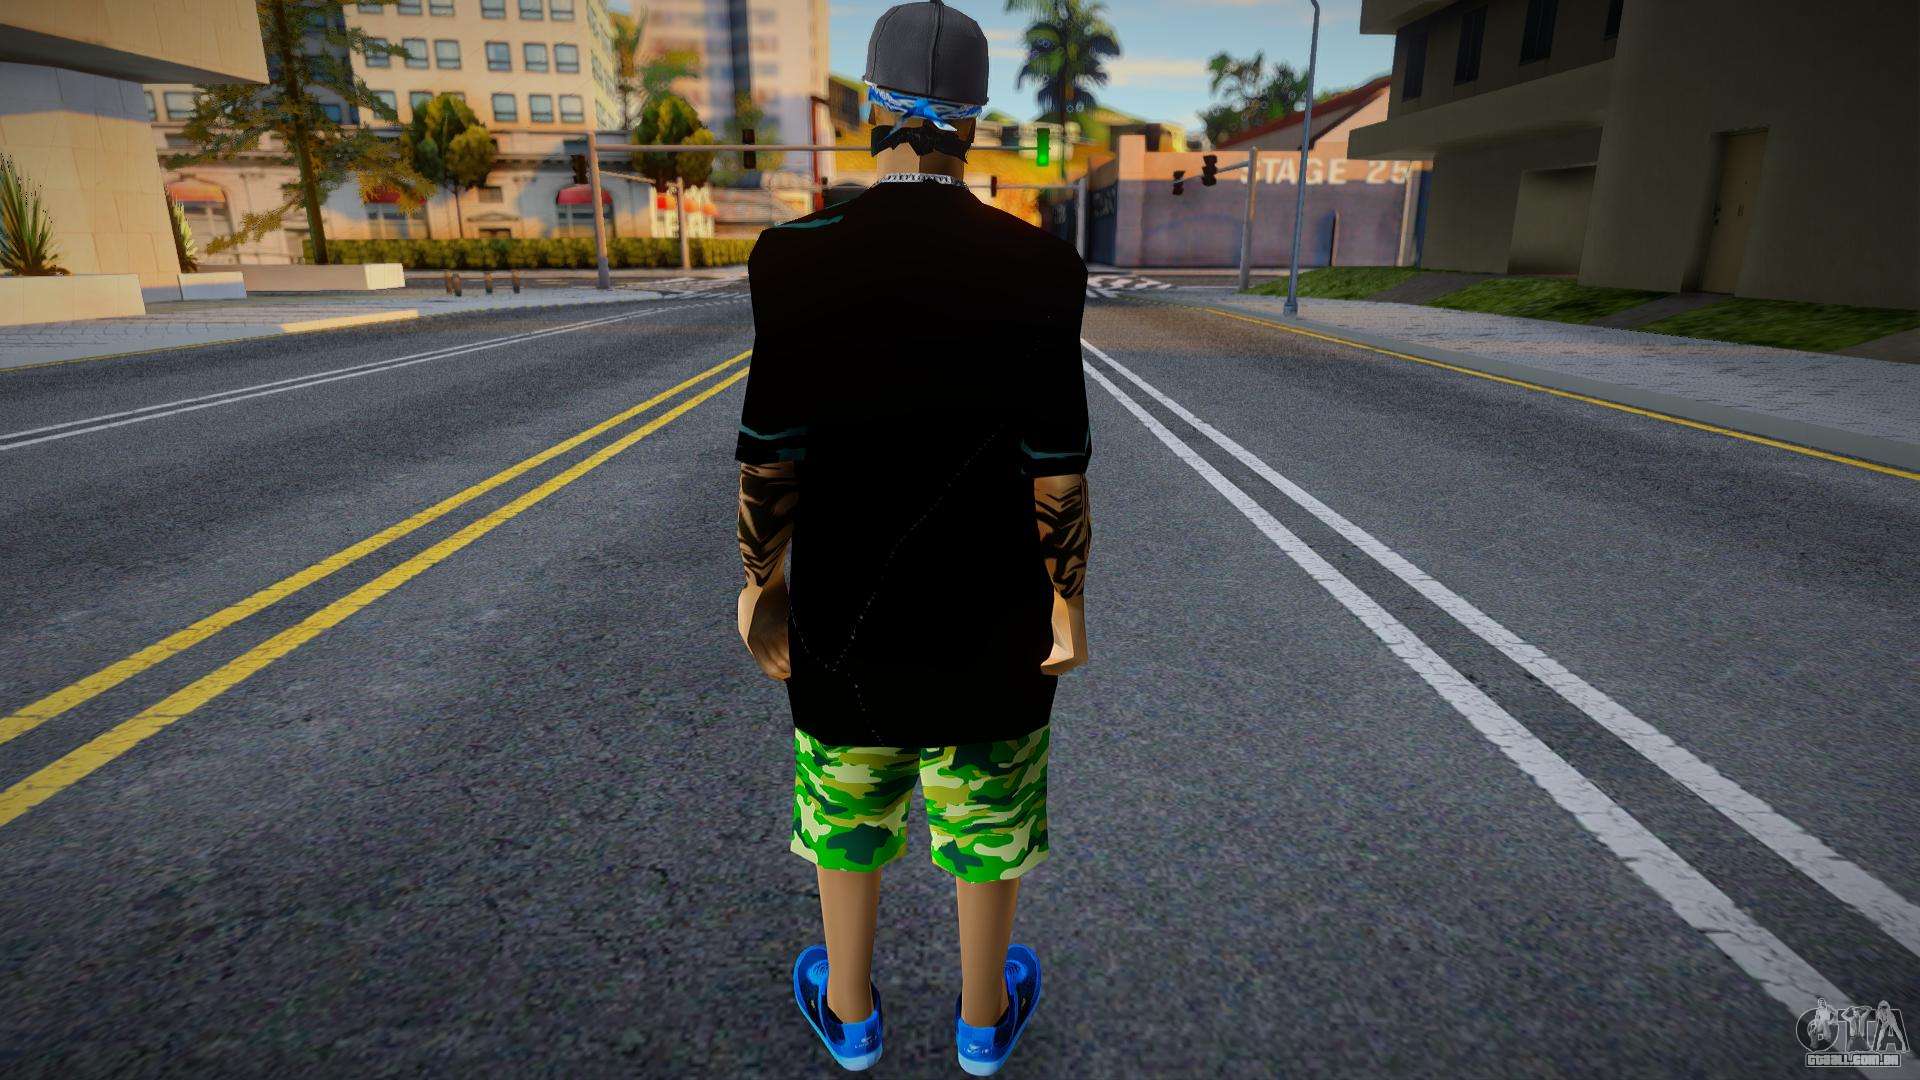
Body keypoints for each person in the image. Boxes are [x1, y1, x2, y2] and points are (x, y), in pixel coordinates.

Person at [732, 2, 1091, 1073]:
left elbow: (769, 455)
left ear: (870, 109)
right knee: (987, 824)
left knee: (846, 816)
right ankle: (983, 1022)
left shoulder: (791, 257)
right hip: (994, 617)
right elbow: (1058, 467)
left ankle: (850, 1016)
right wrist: (1067, 600)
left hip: (844, 612)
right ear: (973, 120)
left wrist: (760, 586)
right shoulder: (1043, 264)